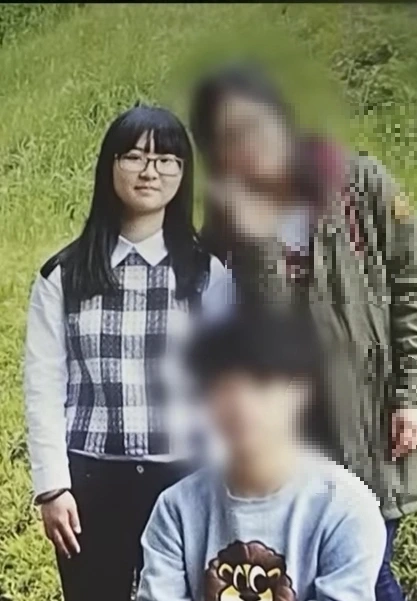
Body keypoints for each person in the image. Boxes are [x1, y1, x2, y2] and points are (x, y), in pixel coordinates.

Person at [188, 63, 417, 601]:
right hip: (294, 435)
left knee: (361, 569)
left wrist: (415, 397)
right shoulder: (229, 220)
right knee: (325, 573)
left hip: (373, 428)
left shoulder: (359, 184)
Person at [24, 104, 226, 601]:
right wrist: (53, 487)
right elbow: (43, 386)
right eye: (134, 156)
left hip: (188, 478)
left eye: (167, 159)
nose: (150, 171)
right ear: (109, 166)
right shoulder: (64, 276)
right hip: (92, 480)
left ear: (184, 172)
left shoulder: (208, 275)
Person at [137, 309, 387, 601]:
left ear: (300, 392)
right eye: (223, 387)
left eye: (261, 383)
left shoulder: (345, 508)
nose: (241, 404)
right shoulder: (176, 508)